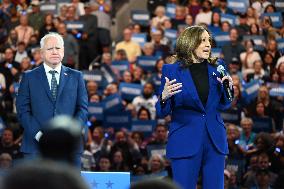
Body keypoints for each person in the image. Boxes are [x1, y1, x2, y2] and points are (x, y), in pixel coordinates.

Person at [156, 25, 234, 189]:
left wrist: (229, 90)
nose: (208, 45)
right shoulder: (171, 70)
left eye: (209, 40)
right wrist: (163, 98)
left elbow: (224, 104)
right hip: (185, 139)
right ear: (190, 42)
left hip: (214, 140)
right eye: (203, 40)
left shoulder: (218, 67)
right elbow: (162, 112)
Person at [15, 32, 88, 163]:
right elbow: (22, 111)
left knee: (67, 184)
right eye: (50, 48)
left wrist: (70, 133)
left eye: (58, 48)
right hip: (34, 147)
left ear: (63, 51)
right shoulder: (28, 77)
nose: (55, 52)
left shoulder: (76, 76)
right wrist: (39, 135)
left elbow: (82, 109)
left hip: (69, 148)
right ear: (42, 53)